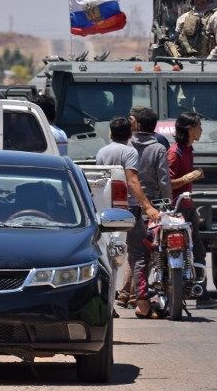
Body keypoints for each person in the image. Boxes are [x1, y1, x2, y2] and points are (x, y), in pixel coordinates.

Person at [96, 117, 160, 310]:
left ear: (110, 133)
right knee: (138, 254)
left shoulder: (102, 151)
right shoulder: (130, 151)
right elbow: (132, 181)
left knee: (106, 255)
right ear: (129, 134)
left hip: (105, 209)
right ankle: (141, 301)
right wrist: (147, 206)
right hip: (128, 210)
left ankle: (108, 304)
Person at [168, 112, 217, 309]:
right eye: (198, 126)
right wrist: (190, 177)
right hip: (177, 210)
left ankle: (197, 292)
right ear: (189, 129)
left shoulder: (188, 150)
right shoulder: (176, 153)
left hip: (187, 208)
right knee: (186, 252)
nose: (201, 130)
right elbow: (167, 184)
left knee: (196, 252)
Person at [128, 107, 173, 318]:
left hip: (128, 207)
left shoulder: (126, 146)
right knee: (156, 253)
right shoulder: (158, 149)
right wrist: (168, 205)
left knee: (137, 256)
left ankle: (141, 300)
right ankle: (146, 301)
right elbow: (164, 181)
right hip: (154, 208)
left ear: (135, 123)